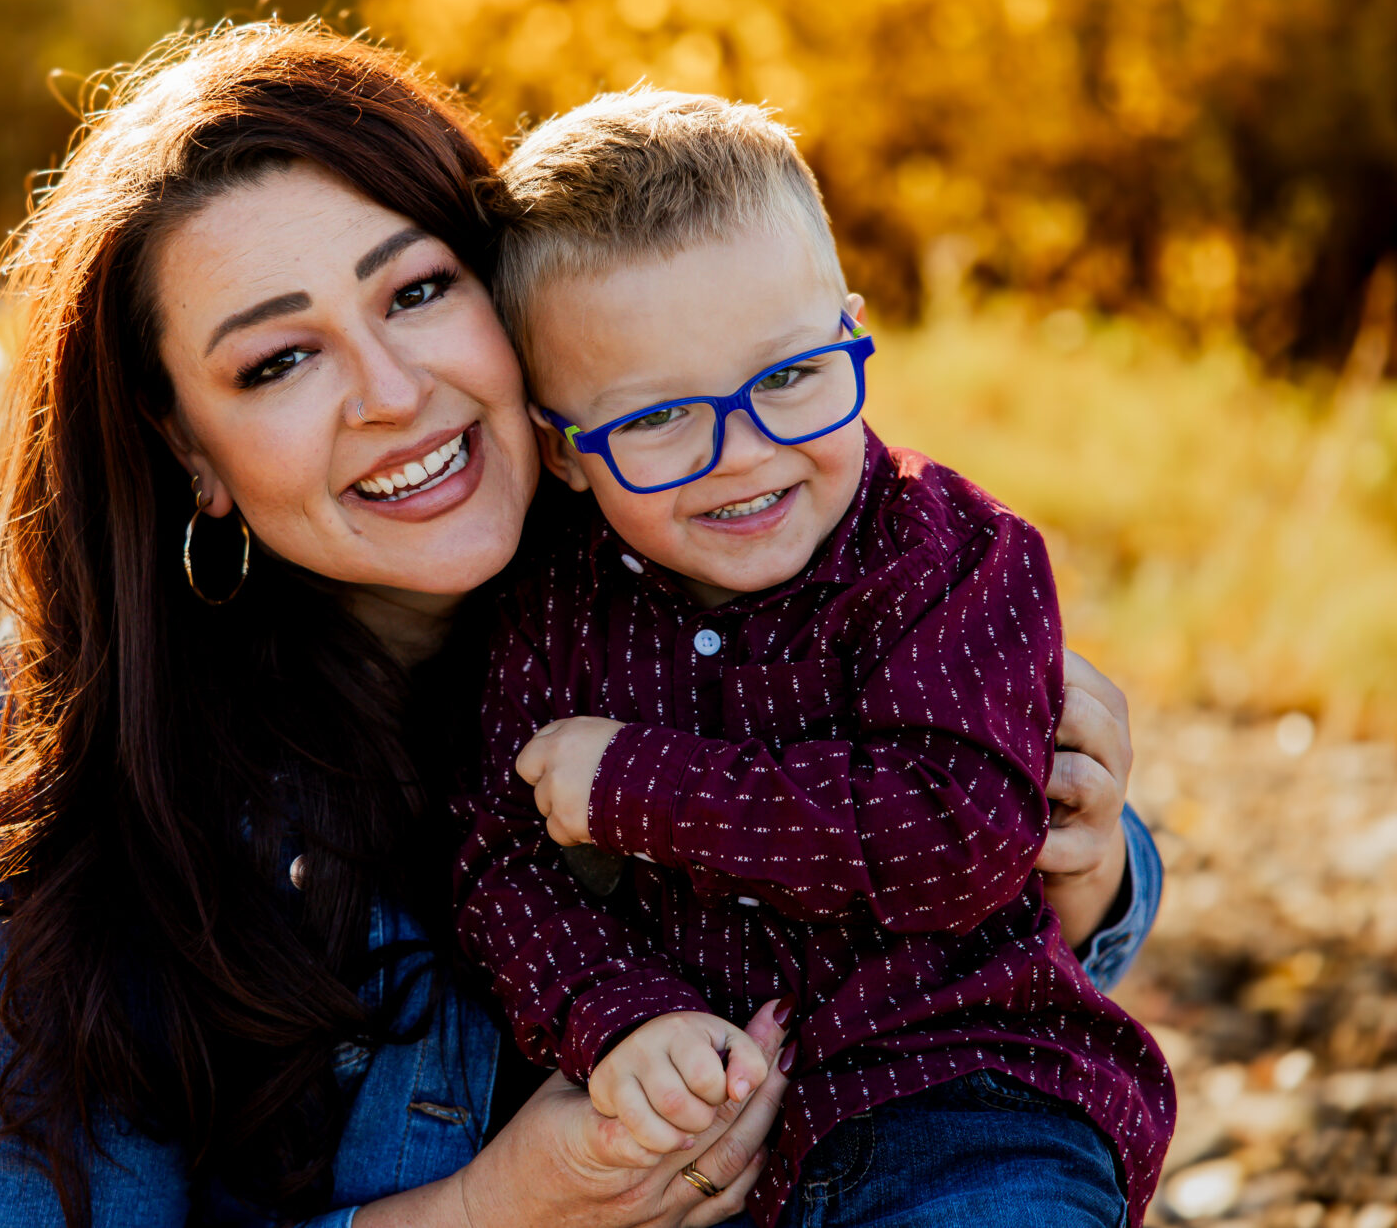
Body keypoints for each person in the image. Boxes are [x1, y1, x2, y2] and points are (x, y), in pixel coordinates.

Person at [0, 23, 1162, 1228]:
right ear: (189, 453)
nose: (391, 392)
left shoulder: (706, 547)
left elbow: (987, 855)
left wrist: (1083, 863)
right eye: (278, 362)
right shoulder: (51, 774)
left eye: (420, 290)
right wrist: (490, 1212)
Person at [455, 91, 1174, 1228]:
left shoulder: (955, 559)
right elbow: (500, 864)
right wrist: (621, 1015)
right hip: (690, 1147)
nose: (742, 453)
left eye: (790, 377)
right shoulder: (547, 615)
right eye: (655, 420)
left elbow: (961, 834)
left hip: (965, 1099)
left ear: (850, 327)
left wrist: (637, 785)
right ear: (563, 449)